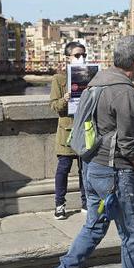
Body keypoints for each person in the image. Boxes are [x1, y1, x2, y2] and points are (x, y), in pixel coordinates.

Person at [40, 35, 134, 268]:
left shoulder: (96, 82)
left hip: (92, 170)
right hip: (116, 175)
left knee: (94, 228)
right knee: (133, 235)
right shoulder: (124, 90)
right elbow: (129, 146)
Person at [49, 41, 88, 219]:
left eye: (84, 55)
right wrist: (65, 98)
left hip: (85, 130)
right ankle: (59, 204)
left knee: (85, 170)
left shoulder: (90, 77)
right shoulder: (59, 79)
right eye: (78, 55)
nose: (82, 58)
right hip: (66, 131)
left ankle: (86, 202)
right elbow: (54, 106)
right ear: (67, 58)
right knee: (63, 169)